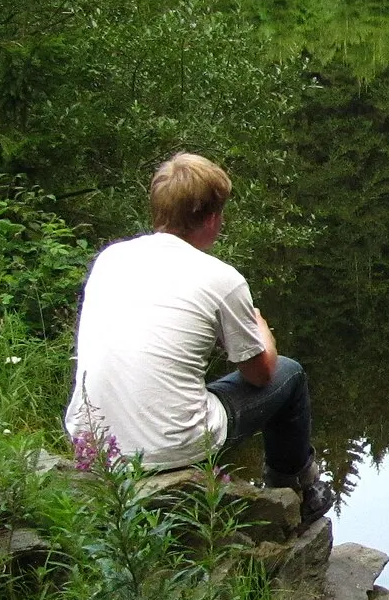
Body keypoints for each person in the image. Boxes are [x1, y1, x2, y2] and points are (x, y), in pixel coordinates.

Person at [63, 152, 334, 522]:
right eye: (220, 213)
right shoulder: (222, 279)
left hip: (91, 438)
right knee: (290, 374)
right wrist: (263, 333)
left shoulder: (111, 258)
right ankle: (295, 493)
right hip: (171, 446)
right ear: (210, 219)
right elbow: (260, 375)